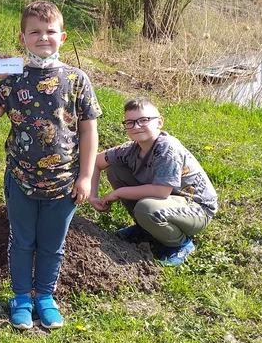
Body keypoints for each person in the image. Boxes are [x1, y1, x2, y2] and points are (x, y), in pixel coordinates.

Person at [0, 1, 101, 330]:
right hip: (21, 179)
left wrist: (86, 177)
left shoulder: (77, 79)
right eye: (35, 32)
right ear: (22, 38)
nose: (43, 38)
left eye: (49, 32)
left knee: (52, 245)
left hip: (64, 183)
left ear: (62, 36)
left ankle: (45, 296)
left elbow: (89, 130)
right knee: (22, 241)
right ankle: (21, 297)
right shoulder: (14, 77)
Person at [89, 97, 217, 267]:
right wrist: (92, 196)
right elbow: (96, 162)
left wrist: (118, 193)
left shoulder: (167, 148)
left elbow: (161, 192)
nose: (136, 126)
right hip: (167, 202)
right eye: (130, 122)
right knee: (115, 169)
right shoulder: (130, 149)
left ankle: (181, 243)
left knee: (147, 208)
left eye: (143, 120)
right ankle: (146, 227)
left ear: (159, 122)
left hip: (197, 209)